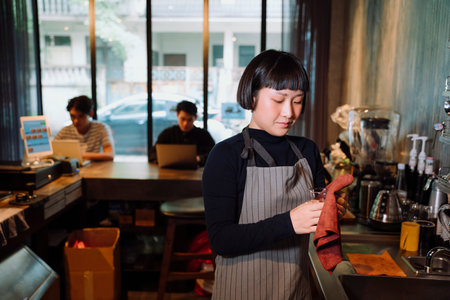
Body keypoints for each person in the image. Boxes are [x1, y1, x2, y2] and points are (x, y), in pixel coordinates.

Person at [202, 50, 348, 300]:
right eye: (279, 100)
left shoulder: (307, 150)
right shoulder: (225, 155)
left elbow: (318, 214)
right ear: (253, 96)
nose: (289, 113)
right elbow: (221, 240)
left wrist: (330, 210)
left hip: (295, 290)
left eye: (297, 100)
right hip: (241, 291)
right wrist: (290, 222)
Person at [149, 100, 215, 166]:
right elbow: (152, 154)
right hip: (170, 173)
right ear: (177, 115)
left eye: (189, 120)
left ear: (195, 117)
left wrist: (200, 158)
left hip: (197, 174)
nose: (185, 123)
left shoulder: (203, 135)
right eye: (183, 119)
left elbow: (214, 154)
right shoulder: (167, 134)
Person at [54, 95, 114, 161]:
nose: (76, 121)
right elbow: (51, 151)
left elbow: (110, 155)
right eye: (72, 116)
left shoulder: (101, 128)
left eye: (81, 116)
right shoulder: (65, 131)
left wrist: (79, 155)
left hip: (94, 168)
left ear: (91, 114)